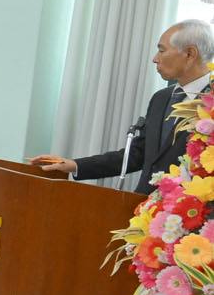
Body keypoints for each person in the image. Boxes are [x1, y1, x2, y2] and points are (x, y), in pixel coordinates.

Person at [34, 19, 214, 194]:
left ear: (189, 54)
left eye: (162, 50)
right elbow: (138, 153)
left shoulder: (211, 101)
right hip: (145, 205)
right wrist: (74, 165)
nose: (155, 59)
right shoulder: (161, 98)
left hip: (194, 207)